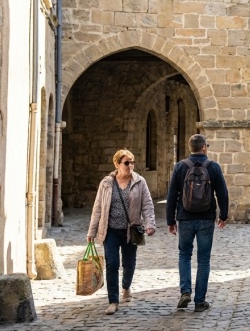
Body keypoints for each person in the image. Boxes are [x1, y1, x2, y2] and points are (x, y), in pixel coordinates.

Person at [87, 149, 157, 315]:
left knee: (129, 264)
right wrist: (92, 231)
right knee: (112, 264)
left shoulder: (140, 182)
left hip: (131, 230)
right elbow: (97, 208)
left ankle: (126, 286)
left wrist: (150, 224)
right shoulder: (106, 183)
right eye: (126, 162)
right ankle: (113, 301)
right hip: (110, 230)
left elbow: (147, 205)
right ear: (117, 164)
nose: (130, 166)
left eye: (132, 162)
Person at [166, 134, 229, 312]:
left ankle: (185, 291)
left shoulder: (180, 167)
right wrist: (223, 215)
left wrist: (171, 220)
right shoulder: (213, 167)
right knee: (203, 259)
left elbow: (172, 195)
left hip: (185, 218)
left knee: (184, 255)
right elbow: (222, 193)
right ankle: (200, 301)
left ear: (190, 148)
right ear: (204, 148)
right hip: (206, 219)